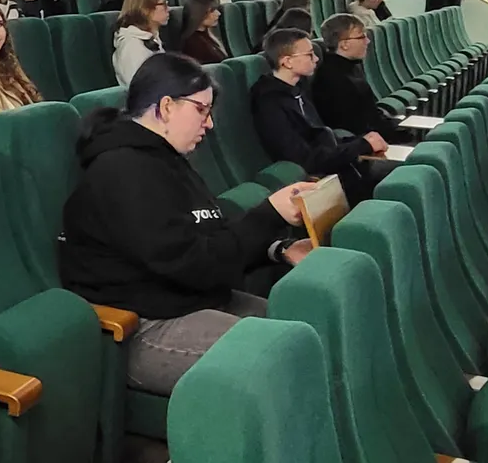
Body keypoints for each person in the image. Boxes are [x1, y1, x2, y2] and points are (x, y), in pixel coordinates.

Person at [60, 53, 317, 396]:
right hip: (144, 326)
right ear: (167, 107)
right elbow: (192, 263)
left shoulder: (166, 158)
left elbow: (210, 234)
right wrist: (269, 214)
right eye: (201, 110)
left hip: (193, 300)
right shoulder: (122, 171)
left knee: (305, 326)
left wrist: (278, 249)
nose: (209, 124)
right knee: (283, 355)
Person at [251, 28, 390, 203]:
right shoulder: (269, 103)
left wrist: (361, 141)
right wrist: (361, 145)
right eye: (310, 55)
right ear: (287, 62)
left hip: (336, 167)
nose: (316, 59)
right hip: (318, 182)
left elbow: (319, 135)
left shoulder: (298, 88)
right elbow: (305, 159)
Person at [311, 13, 404, 141]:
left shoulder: (351, 67)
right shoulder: (333, 79)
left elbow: (370, 114)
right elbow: (357, 126)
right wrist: (403, 135)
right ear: (344, 44)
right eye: (362, 37)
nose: (368, 41)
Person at [114, 0, 169, 83]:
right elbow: (142, 88)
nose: (168, 9)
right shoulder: (133, 46)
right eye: (164, 4)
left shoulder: (150, 36)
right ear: (146, 9)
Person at [176, 0, 228, 65]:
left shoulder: (208, 35)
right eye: (212, 11)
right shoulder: (192, 44)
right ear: (199, 13)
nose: (218, 13)